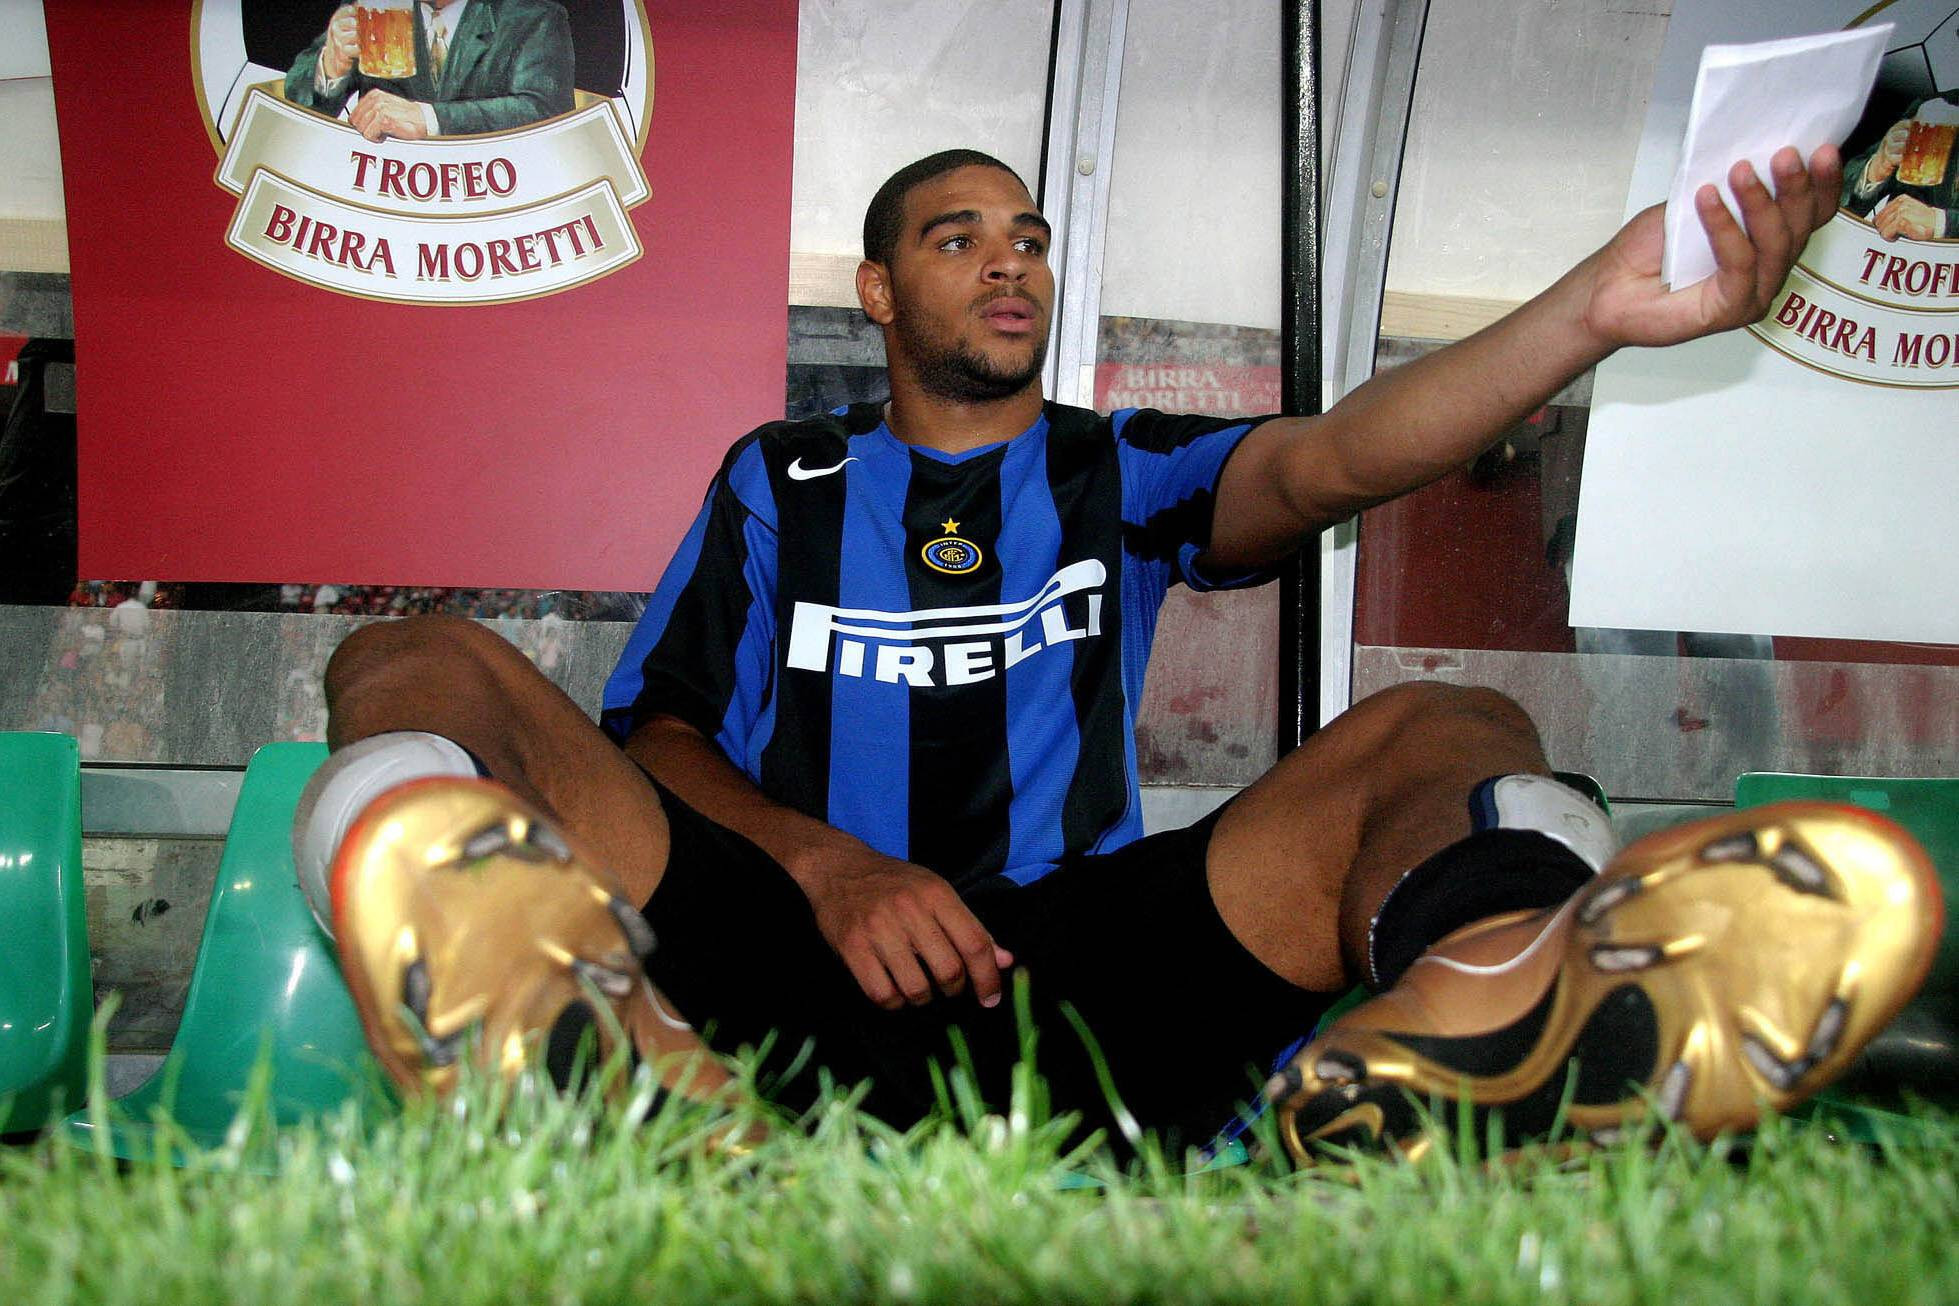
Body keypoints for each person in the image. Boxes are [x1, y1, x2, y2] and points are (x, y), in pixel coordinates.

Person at [293, 144, 1942, 1162]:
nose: (1006, 256)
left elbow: (1332, 459)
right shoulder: (779, 476)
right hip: (786, 953)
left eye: (1023, 233)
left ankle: (1496, 1023)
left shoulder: (1110, 463)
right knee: (420, 655)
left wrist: (1586, 312)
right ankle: (564, 1028)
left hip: (1065, 978)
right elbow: (656, 736)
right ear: (876, 290)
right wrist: (832, 867)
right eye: (955, 235)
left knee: (1444, 719)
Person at [284, 0, 575, 143]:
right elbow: (294, 103)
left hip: (492, 201)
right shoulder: (377, 8)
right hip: (385, 193)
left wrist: (429, 119)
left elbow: (549, 113)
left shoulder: (533, 17)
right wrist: (331, 65)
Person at [1840, 94, 1959, 242]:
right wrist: (1877, 169)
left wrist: (1942, 223)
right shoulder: (1935, 107)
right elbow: (1837, 200)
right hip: (1895, 251)